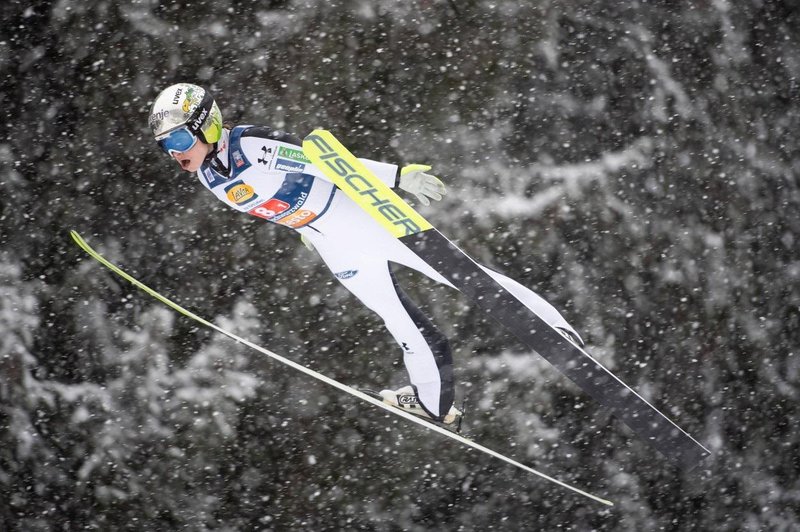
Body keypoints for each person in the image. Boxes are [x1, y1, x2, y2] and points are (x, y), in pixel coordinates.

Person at [148, 83, 582, 426]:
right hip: (333, 244)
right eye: (167, 146)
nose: (176, 153)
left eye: (181, 138)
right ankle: (433, 401)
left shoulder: (249, 146)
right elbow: (274, 200)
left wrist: (397, 177)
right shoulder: (208, 174)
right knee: (399, 319)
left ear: (206, 125)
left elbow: (326, 162)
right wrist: (303, 226)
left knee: (459, 274)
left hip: (359, 217)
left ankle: (554, 329)